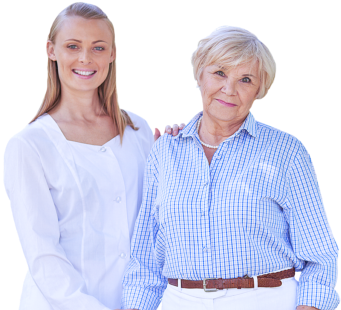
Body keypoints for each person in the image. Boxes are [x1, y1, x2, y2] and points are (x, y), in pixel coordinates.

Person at [121, 25, 340, 310]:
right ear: (199, 74)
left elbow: (320, 257)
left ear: (260, 90)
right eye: (219, 73)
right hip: (180, 301)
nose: (229, 89)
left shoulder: (287, 152)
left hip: (267, 301)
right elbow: (145, 258)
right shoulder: (164, 151)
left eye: (245, 79)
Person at [2, 2, 185, 310]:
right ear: (51, 50)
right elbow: (43, 255)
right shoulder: (28, 145)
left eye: (98, 47)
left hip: (138, 303)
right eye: (73, 46)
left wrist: (182, 151)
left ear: (112, 53)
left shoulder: (138, 130)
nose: (85, 58)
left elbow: (163, 222)